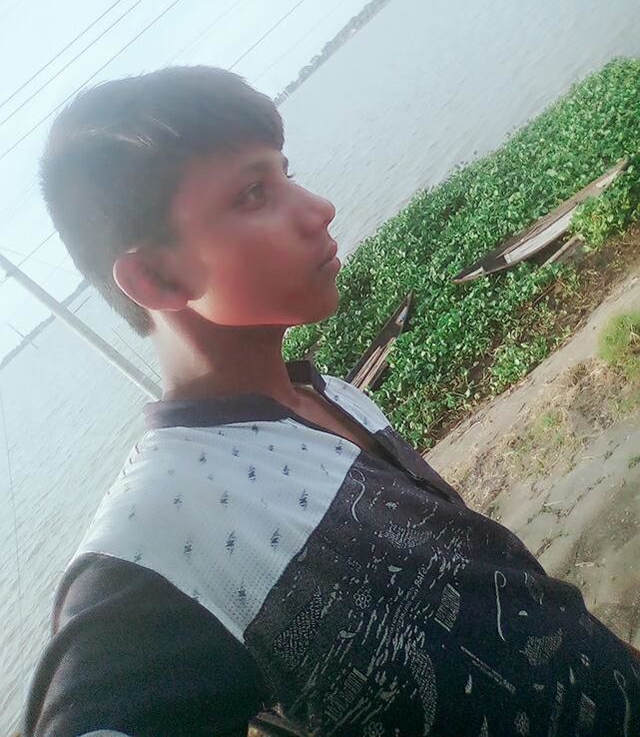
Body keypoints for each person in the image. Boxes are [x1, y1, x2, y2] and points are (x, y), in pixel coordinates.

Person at [23, 66, 639, 736]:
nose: (319, 208)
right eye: (254, 193)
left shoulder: (328, 393)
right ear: (154, 276)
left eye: (286, 173)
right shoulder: (165, 530)